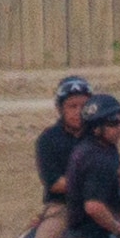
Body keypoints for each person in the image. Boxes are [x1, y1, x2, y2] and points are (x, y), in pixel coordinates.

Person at [55, 98, 120, 238]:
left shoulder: (103, 148)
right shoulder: (97, 159)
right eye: (113, 122)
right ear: (96, 129)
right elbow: (94, 207)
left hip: (84, 232)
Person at [33, 76, 97, 205]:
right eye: (72, 106)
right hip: (63, 205)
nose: (79, 112)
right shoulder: (48, 139)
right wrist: (96, 185)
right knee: (50, 226)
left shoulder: (99, 133)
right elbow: (54, 183)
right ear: (60, 108)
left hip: (101, 203)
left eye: (84, 106)